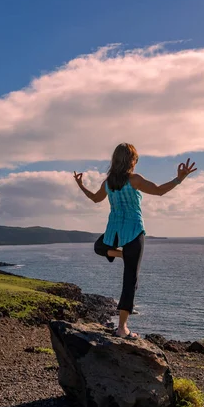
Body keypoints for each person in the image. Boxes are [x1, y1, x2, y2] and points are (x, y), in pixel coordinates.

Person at [74, 143, 197, 339]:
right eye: (136, 159)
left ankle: (121, 255)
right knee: (130, 280)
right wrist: (179, 179)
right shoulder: (134, 180)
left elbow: (96, 199)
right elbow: (158, 191)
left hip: (113, 231)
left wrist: (81, 186)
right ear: (131, 161)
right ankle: (122, 328)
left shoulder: (108, 183)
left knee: (99, 247)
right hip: (133, 232)